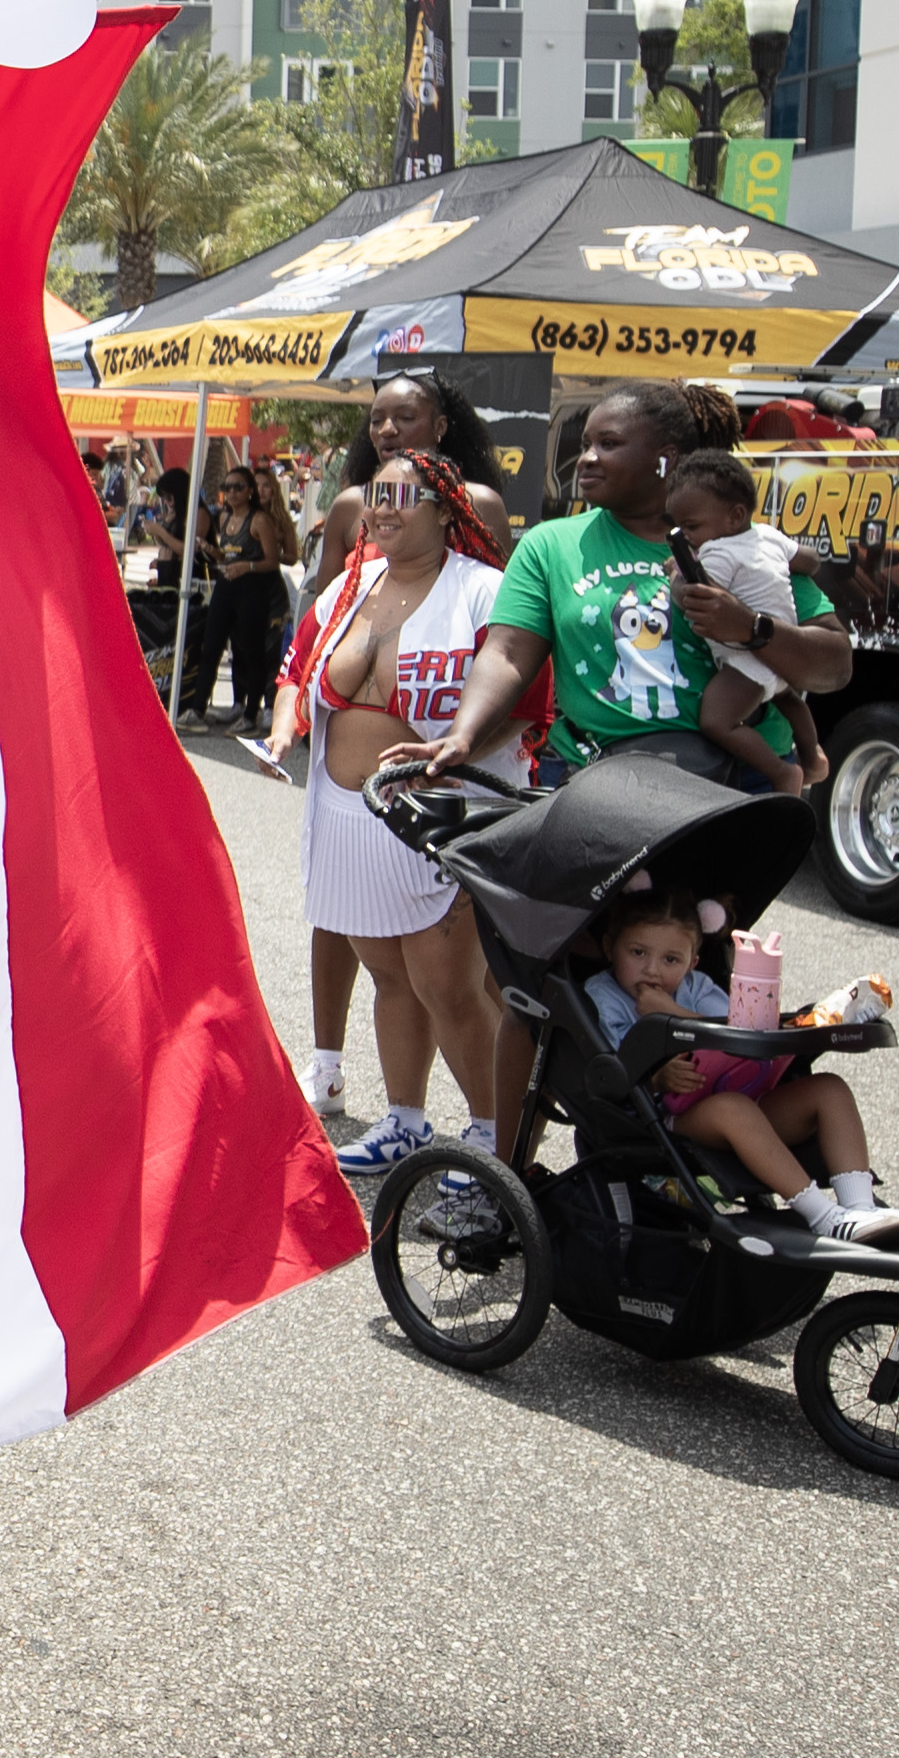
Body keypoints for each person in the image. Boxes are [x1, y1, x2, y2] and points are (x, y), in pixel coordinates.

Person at [398, 377, 856, 792]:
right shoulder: (550, 545)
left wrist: (750, 628)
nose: (587, 458)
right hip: (597, 784)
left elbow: (834, 666)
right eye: (586, 444)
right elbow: (506, 654)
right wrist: (462, 735)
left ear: (666, 460)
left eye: (609, 443)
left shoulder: (745, 545)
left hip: (739, 784)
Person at [269, 461, 519, 1180]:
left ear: (446, 510)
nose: (381, 508)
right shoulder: (352, 584)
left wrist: (460, 749)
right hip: (350, 816)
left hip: (439, 818)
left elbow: (525, 706)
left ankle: (490, 1137)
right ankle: (406, 1121)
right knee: (389, 977)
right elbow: (298, 670)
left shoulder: (483, 591)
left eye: (400, 497)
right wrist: (286, 728)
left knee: (448, 984)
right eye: (375, 495)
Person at [586, 894, 899, 1239]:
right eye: (638, 953)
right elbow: (609, 1071)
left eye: (671, 959)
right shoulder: (604, 997)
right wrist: (657, 1079)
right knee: (733, 1109)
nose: (652, 969)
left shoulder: (697, 987)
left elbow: (736, 1033)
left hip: (745, 1094)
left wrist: (669, 1011)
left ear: (692, 963)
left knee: (829, 1089)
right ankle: (825, 1217)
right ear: (609, 947)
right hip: (666, 1115)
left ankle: (859, 1208)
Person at [659, 449, 820, 789]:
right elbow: (809, 561)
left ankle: (782, 771)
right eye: (679, 527)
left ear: (734, 516)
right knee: (787, 698)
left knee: (717, 721)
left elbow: (695, 595)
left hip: (747, 659)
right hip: (783, 653)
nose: (686, 536)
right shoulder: (767, 536)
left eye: (692, 526)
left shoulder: (717, 553)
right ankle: (812, 756)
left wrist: (677, 570)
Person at [179, 461, 297, 730]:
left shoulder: (260, 520)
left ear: (250, 491)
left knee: (252, 651)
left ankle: (251, 713)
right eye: (227, 487)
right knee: (212, 645)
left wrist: (247, 566)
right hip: (226, 585)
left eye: (238, 487)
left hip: (253, 590)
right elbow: (227, 554)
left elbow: (272, 562)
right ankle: (197, 710)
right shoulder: (224, 518)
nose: (231, 493)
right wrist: (211, 550)